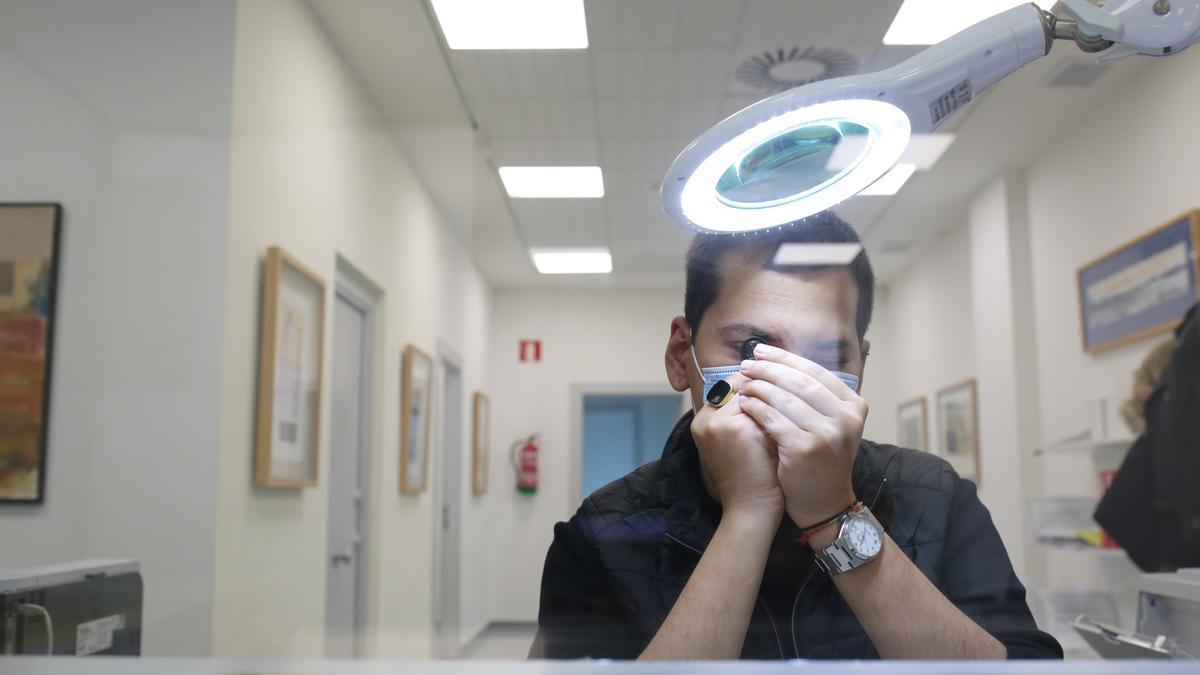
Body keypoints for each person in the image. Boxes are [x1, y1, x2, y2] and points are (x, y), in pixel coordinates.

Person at [532, 212, 1062, 660]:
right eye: (751, 348)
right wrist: (750, 508)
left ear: (862, 363)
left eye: (827, 358)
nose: (792, 384)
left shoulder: (935, 497)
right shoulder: (603, 533)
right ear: (680, 356)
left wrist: (834, 514)